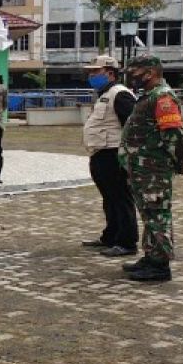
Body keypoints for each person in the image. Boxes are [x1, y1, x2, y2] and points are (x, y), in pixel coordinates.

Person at [118, 55, 183, 282]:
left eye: (134, 71)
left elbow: (174, 134)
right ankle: (150, 257)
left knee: (158, 215)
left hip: (153, 170)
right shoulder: (148, 96)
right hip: (142, 169)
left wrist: (178, 162)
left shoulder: (163, 97)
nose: (131, 76)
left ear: (149, 73)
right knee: (149, 215)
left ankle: (160, 266)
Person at [80, 55, 138, 256]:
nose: (91, 75)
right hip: (101, 153)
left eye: (95, 72)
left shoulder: (120, 94)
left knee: (121, 198)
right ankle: (111, 236)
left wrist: (128, 156)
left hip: (114, 154)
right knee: (109, 198)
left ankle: (127, 242)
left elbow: (132, 127)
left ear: (110, 73)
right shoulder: (104, 94)